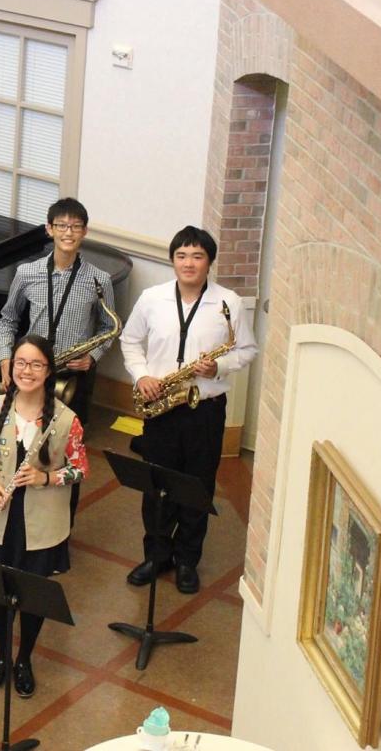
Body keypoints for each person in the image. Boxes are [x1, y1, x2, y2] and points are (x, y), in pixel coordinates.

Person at [120, 225, 257, 595]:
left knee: (198, 487)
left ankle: (186, 561)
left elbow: (246, 350)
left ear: (209, 261)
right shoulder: (152, 298)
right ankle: (157, 555)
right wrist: (142, 375)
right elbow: (130, 341)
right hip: (161, 403)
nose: (188, 263)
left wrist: (219, 367)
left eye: (197, 256)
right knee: (157, 484)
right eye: (181, 256)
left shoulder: (228, 302)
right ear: (172, 260)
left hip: (205, 408)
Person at [0, 335, 88, 699]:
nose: (27, 371)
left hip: (40, 524)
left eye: (36, 364)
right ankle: (2, 657)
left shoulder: (66, 419)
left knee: (32, 594)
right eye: (20, 362)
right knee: (0, 592)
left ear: (49, 370)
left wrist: (45, 477)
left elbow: (80, 469)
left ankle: (24, 659)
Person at [0, 197, 117, 416]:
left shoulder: (100, 280)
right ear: (49, 229)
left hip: (72, 375)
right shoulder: (27, 273)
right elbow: (8, 320)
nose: (68, 233)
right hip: (31, 369)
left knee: (67, 440)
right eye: (61, 225)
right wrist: (5, 358)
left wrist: (92, 356)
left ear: (84, 231)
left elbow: (110, 327)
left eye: (75, 226)